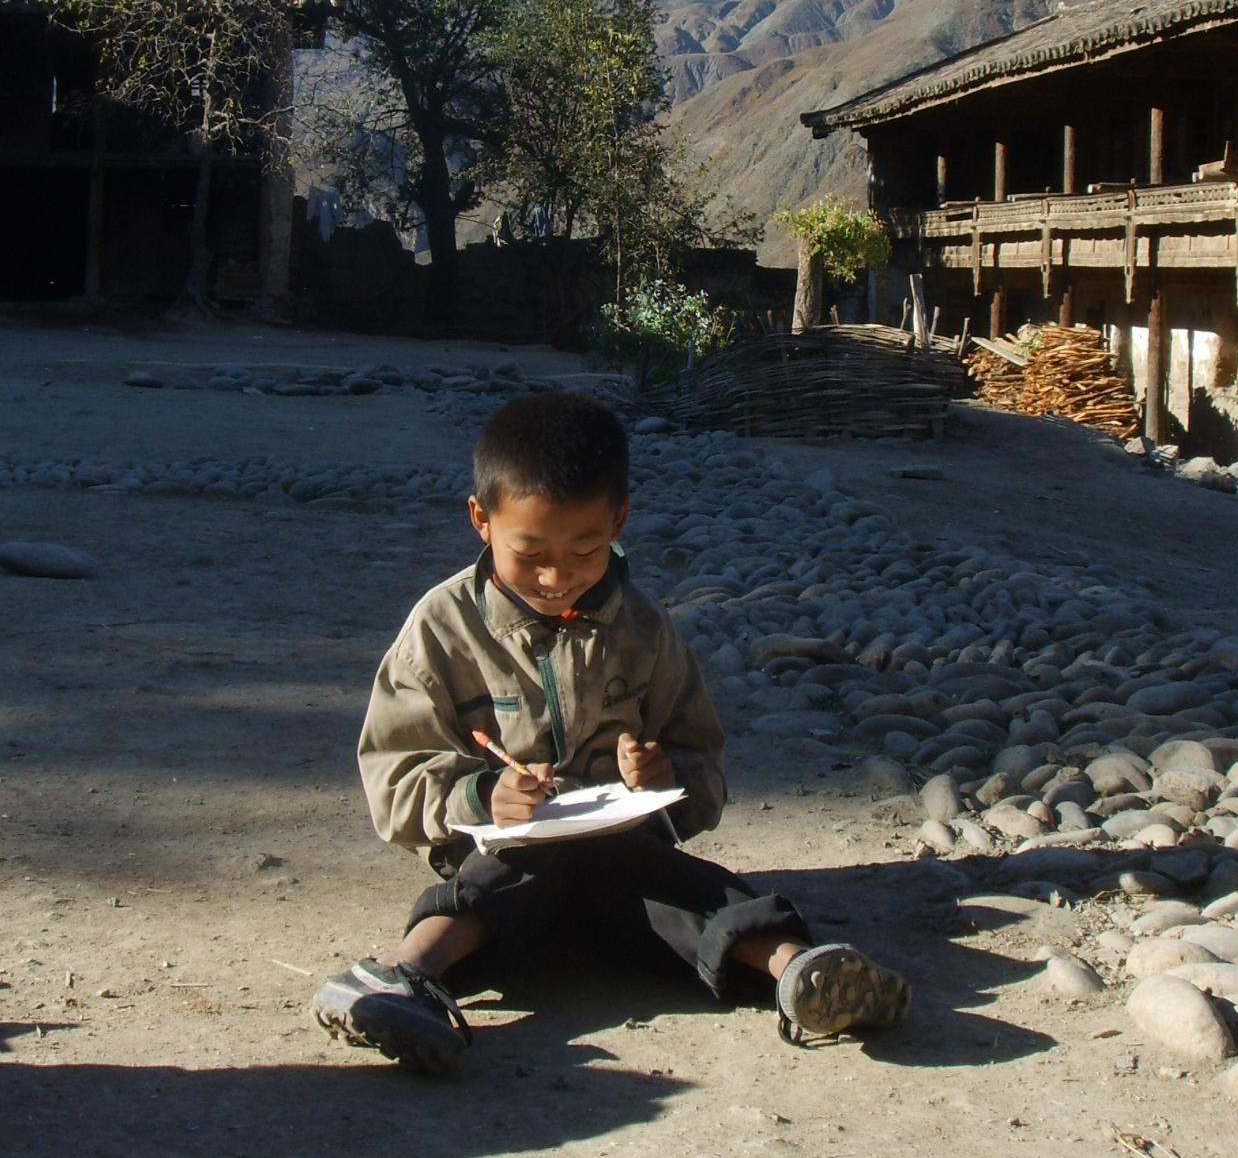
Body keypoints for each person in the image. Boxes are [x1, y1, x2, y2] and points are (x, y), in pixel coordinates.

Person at [312, 391, 911, 1075]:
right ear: (480, 519)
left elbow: (701, 759)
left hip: (626, 856)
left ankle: (802, 973)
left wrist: (666, 777)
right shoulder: (440, 631)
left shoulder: (643, 630)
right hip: (505, 857)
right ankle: (403, 976)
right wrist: (480, 797)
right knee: (504, 879)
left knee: (688, 891)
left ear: (619, 520)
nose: (555, 577)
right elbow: (394, 775)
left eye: (584, 549)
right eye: (529, 553)